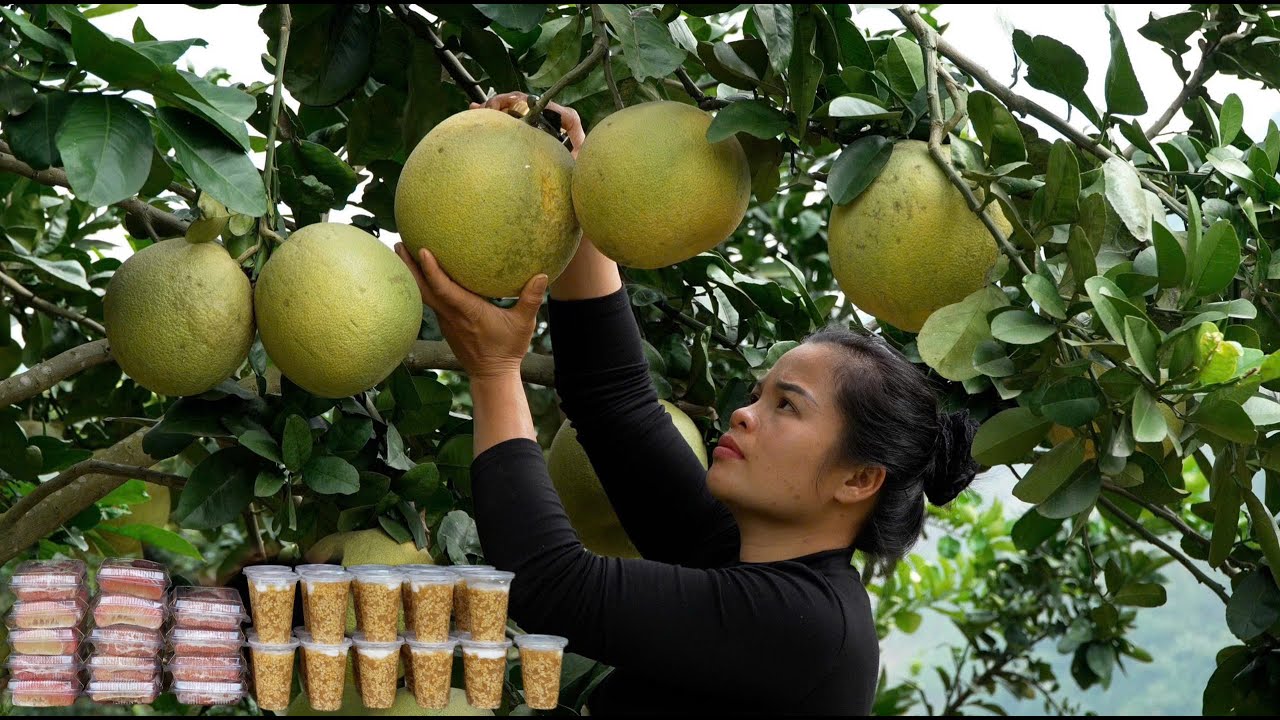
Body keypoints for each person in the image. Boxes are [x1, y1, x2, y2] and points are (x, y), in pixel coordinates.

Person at [394, 92, 980, 716]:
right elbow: (612, 403)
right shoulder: (749, 556)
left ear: (859, 478)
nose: (742, 413)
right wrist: (575, 188)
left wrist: (493, 368)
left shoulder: (808, 628)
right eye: (759, 394)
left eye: (787, 406)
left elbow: (548, 585)